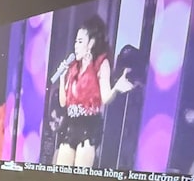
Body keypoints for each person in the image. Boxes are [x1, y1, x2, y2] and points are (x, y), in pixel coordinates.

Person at [55, 16, 137, 167]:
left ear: (91, 43)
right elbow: (63, 102)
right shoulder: (73, 68)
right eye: (75, 41)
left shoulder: (101, 64)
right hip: (70, 126)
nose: (76, 46)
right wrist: (61, 78)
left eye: (80, 41)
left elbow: (105, 98)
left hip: (88, 128)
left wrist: (116, 88)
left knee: (80, 175)